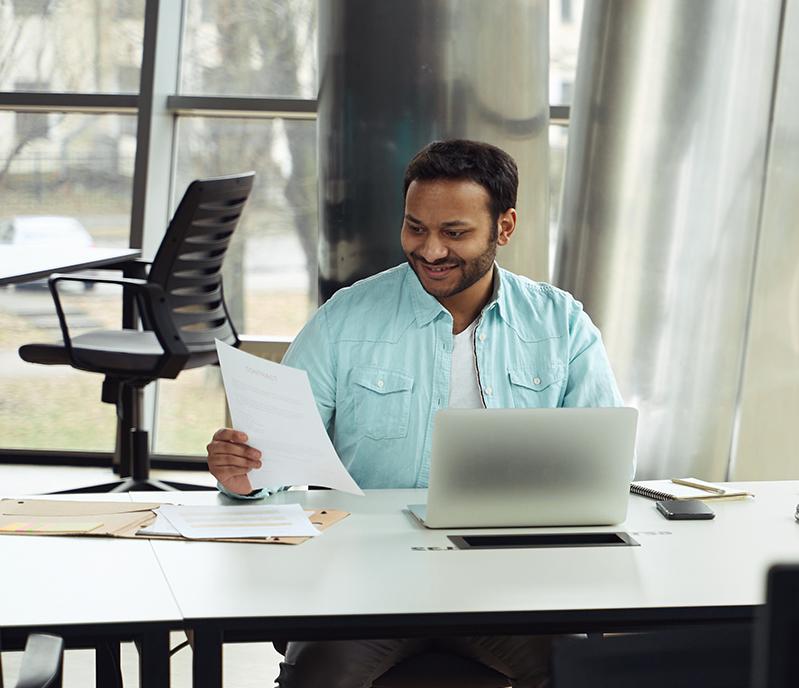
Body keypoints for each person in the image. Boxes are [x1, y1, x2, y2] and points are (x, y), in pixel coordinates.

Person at [204, 139, 621, 688]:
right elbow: (273, 462)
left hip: (512, 583)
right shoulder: (345, 320)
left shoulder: (560, 324)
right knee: (317, 679)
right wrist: (243, 477)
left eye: (454, 232)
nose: (430, 250)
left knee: (583, 672)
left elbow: (602, 468)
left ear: (505, 226)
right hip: (366, 584)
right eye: (415, 228)